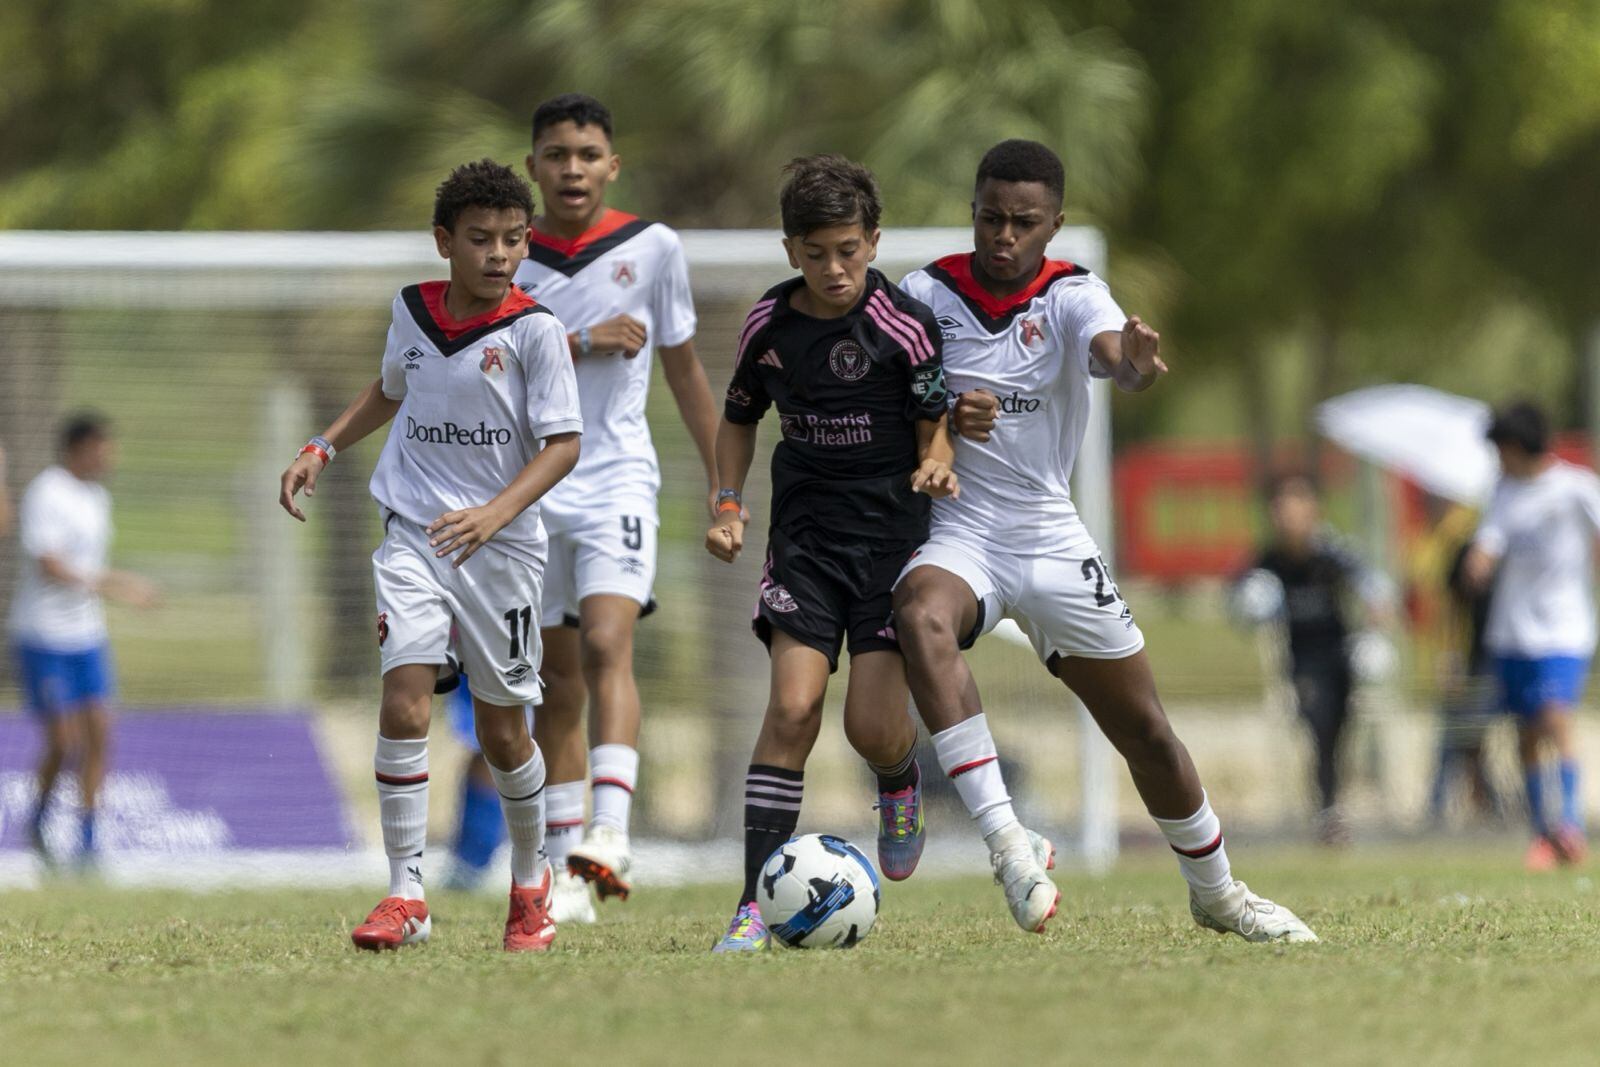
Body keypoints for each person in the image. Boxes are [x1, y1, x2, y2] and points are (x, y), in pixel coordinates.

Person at [891, 139, 1316, 942]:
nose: (1003, 235)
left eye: (1023, 221)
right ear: (972, 212)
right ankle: (1010, 845)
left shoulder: (1073, 293)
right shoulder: (925, 291)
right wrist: (946, 415)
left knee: (1146, 730)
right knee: (921, 615)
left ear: (1054, 224)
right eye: (990, 218)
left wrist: (1138, 364)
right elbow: (891, 396)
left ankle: (1219, 893)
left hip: (1051, 539)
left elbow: (1112, 353)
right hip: (962, 530)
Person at [278, 159, 582, 951]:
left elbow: (564, 445)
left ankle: (529, 883)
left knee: (504, 732)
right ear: (444, 241)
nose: (499, 254)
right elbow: (390, 388)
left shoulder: (535, 330)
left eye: (514, 240)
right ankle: (406, 891)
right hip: (413, 533)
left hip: (503, 550)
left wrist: (494, 512)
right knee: (405, 701)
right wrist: (324, 444)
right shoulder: (411, 311)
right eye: (480, 239)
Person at [703, 155, 958, 952]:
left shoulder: (903, 324)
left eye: (848, 249)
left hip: (890, 547)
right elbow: (739, 416)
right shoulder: (769, 326)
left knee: (872, 726)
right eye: (817, 253)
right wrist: (727, 502)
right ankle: (750, 903)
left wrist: (936, 459)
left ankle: (897, 776)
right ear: (791, 252)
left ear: (873, 241)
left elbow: (934, 419)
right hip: (805, 544)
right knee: (792, 708)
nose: (835, 268)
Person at [513, 93, 720, 923]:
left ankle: (611, 830)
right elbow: (487, 362)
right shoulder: (505, 255)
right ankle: (568, 874)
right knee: (553, 684)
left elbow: (684, 370)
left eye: (587, 154)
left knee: (607, 641)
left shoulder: (653, 247)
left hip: (615, 482)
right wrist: (577, 338)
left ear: (612, 165)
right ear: (532, 166)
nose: (572, 169)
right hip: (527, 491)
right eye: (557, 154)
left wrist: (724, 481)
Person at [9, 413, 158, 869]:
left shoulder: (97, 497)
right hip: (43, 634)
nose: (109, 455)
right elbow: (49, 565)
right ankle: (37, 817)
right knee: (63, 740)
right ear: (79, 448)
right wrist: (115, 587)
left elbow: (89, 565)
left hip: (86, 635)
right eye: (102, 446)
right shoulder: (47, 491)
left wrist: (122, 582)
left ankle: (88, 837)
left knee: (99, 734)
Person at [1464, 401, 1600, 869]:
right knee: (1526, 733)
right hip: (1512, 631)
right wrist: (1478, 561)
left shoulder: (1574, 487)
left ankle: (1570, 825)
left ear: (1519, 446)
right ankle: (1542, 832)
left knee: (1555, 714)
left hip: (1564, 628)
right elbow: (1490, 539)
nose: (1498, 458)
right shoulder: (1503, 491)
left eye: (1501, 448)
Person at [1235, 473, 1391, 844]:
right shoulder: (1268, 561)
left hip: (1339, 657)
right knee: (1317, 723)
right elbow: (1239, 597)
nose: (1289, 517)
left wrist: (1375, 608)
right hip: (1302, 662)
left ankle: (1331, 808)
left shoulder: (1332, 554)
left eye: (1297, 507)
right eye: (1282, 509)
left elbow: (1370, 585)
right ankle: (1328, 812)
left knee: (1337, 733)